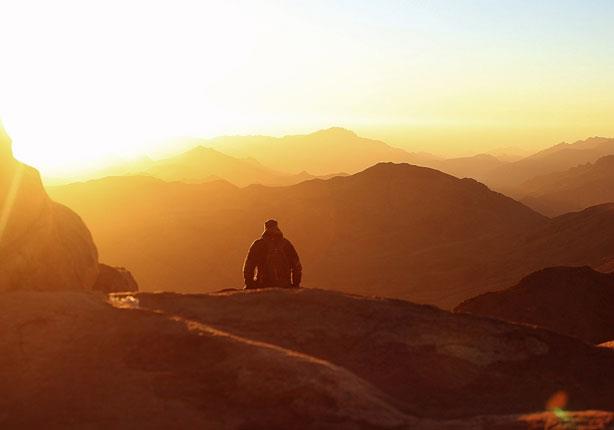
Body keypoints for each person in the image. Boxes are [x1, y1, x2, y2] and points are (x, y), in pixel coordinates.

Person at [243, 219, 302, 289]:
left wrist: (249, 284)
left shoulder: (258, 244)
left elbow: (248, 266)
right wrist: (295, 284)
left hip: (263, 285)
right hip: (284, 285)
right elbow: (296, 266)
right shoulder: (286, 244)